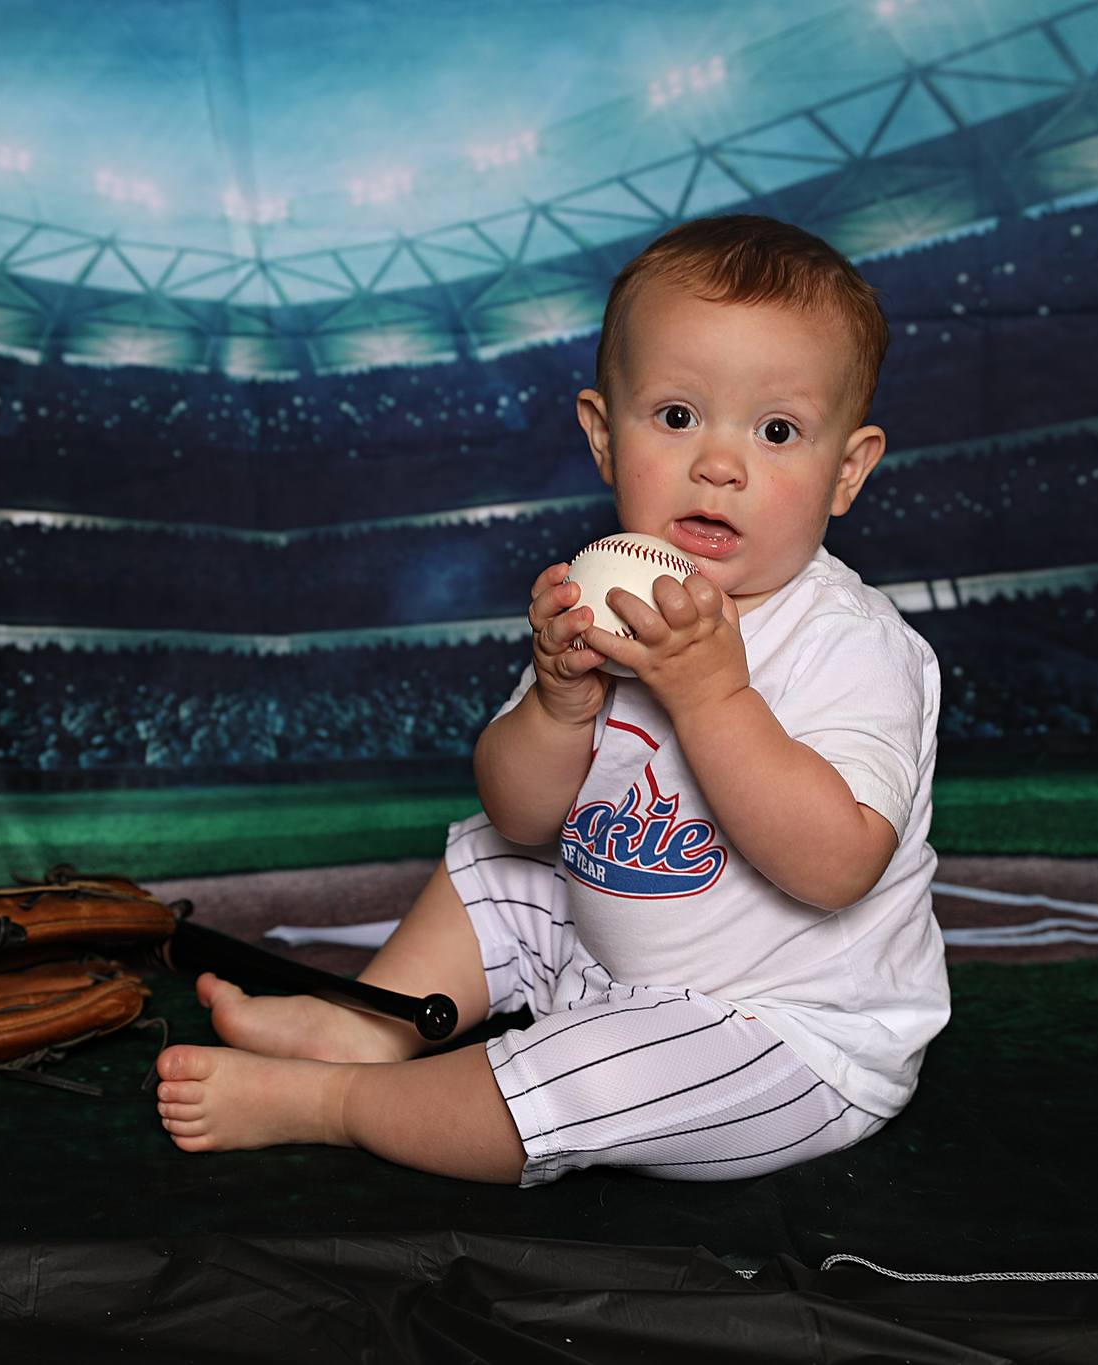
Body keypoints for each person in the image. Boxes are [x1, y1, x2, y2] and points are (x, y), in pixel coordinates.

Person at [154, 215, 948, 1185]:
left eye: (776, 431)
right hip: (619, 963)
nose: (719, 463)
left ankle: (335, 1104)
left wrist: (712, 696)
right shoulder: (604, 597)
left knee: (591, 1073)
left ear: (846, 471)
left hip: (784, 1037)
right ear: (604, 437)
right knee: (499, 862)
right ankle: (367, 1026)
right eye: (676, 416)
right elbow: (519, 813)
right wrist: (558, 706)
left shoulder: (849, 641)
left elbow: (836, 868)